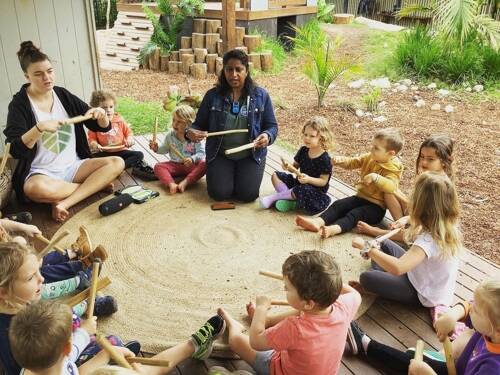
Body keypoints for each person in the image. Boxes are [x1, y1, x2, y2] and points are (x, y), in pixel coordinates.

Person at [4, 41, 124, 222]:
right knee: (32, 189)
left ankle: (63, 202)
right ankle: (94, 186)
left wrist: (100, 116)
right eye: (38, 74)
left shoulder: (62, 95)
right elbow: (15, 149)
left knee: (117, 162)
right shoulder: (19, 105)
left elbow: (100, 126)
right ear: (26, 76)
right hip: (42, 173)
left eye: (50, 71)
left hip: (74, 167)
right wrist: (39, 128)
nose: (47, 78)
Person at [218, 250, 361, 375]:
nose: (284, 289)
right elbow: (355, 294)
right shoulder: (344, 306)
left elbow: (255, 341)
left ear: (309, 303)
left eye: (287, 288)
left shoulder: (295, 328)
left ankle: (234, 326)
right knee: (305, 314)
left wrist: (261, 309)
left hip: (280, 369)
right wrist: (327, 281)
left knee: (236, 341)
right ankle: (267, 321)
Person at [10, 299, 227, 375]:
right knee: (141, 371)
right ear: (65, 349)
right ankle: (193, 345)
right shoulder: (58, 360)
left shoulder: (38, 364)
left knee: (115, 349)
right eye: (72, 334)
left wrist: (103, 354)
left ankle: (193, 345)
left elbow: (72, 368)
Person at [351, 172, 463, 317]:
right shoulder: (446, 223)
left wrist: (367, 248)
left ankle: (383, 280)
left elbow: (398, 268)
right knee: (382, 241)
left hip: (421, 293)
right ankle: (385, 275)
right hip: (419, 273)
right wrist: (406, 219)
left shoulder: (428, 241)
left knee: (367, 278)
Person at [0, 242, 117, 374]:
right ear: (3, 292)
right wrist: (83, 333)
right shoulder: (17, 335)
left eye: (38, 271)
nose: (42, 278)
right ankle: (88, 303)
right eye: (30, 277)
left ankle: (85, 293)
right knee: (112, 344)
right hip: (61, 359)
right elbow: (59, 360)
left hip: (59, 352)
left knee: (72, 317)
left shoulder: (19, 302)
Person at [347, 279, 500, 375]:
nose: (472, 308)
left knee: (417, 366)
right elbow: (470, 305)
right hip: (457, 369)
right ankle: (366, 345)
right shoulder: (490, 329)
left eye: (477, 310)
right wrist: (451, 316)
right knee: (411, 361)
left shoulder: (493, 368)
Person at [186, 49, 278, 202]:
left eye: (238, 69)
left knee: (248, 195)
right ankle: (227, 178)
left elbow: (272, 126)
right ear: (224, 71)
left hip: (251, 155)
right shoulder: (212, 96)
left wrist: (267, 136)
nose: (233, 74)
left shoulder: (261, 95)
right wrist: (190, 132)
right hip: (220, 154)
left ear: (246, 71)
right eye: (229, 69)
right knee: (219, 194)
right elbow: (198, 124)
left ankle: (238, 178)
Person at [295, 127, 404, 238]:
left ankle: (334, 229)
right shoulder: (370, 157)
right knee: (339, 205)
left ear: (391, 153)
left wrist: (376, 178)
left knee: (355, 214)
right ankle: (318, 222)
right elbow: (353, 162)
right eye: (372, 146)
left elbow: (392, 187)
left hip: (376, 208)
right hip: (361, 198)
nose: (371, 150)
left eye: (376, 148)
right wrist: (340, 161)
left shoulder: (393, 168)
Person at [357, 134, 455, 239]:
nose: (424, 162)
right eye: (422, 157)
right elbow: (418, 205)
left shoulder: (438, 185)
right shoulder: (428, 175)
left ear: (445, 161)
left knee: (414, 235)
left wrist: (407, 219)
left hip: (432, 227)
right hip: (417, 216)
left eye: (430, 159)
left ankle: (378, 231)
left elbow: (430, 220)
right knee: (389, 190)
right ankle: (400, 226)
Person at [9, 300, 132, 375]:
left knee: (112, 344)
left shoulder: (35, 362)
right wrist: (107, 354)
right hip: (75, 367)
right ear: (67, 347)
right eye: (71, 333)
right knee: (114, 343)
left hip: (72, 366)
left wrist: (85, 332)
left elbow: (68, 361)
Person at [260, 116, 333, 214]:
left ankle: (275, 199)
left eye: (312, 136)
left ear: (322, 138)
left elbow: (323, 181)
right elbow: (295, 167)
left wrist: (309, 179)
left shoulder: (325, 159)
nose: (307, 138)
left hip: (314, 192)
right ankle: (289, 198)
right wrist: (288, 166)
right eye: (305, 134)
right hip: (299, 184)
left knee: (302, 189)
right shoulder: (303, 150)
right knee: (275, 175)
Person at [88, 90, 155, 180]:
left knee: (139, 155)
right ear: (97, 109)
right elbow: (91, 138)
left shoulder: (119, 120)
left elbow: (128, 132)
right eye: (104, 108)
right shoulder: (95, 123)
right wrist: (95, 145)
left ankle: (119, 168)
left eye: (111, 107)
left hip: (120, 151)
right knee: (91, 159)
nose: (108, 110)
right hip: (105, 153)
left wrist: (129, 139)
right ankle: (113, 167)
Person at [149, 105, 206, 194]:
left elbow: (201, 153)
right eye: (174, 120)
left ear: (189, 123)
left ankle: (186, 182)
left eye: (179, 122)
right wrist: (156, 148)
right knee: (158, 166)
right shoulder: (170, 136)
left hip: (192, 166)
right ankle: (171, 184)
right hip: (175, 165)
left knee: (205, 163)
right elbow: (164, 149)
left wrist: (192, 159)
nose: (175, 124)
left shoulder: (194, 136)